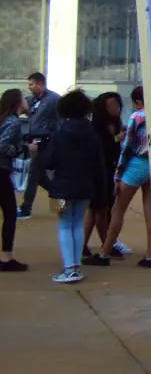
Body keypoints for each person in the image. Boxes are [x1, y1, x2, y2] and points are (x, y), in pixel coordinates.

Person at [86, 87, 151, 268]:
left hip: (135, 164)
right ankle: (150, 254)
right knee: (150, 211)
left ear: (137, 102)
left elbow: (127, 147)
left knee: (118, 209)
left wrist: (118, 174)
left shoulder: (137, 117)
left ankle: (105, 252)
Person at [40, 90, 105, 283]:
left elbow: (49, 161)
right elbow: (98, 164)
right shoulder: (92, 134)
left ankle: (69, 268)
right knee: (77, 224)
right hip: (85, 187)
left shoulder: (59, 133)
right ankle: (75, 266)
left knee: (64, 225)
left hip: (60, 187)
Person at [83, 93, 127, 259]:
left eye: (117, 104)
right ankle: (107, 245)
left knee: (95, 211)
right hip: (99, 172)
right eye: (111, 105)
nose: (115, 108)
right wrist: (117, 139)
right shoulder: (97, 126)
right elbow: (103, 147)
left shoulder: (113, 123)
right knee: (99, 209)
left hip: (107, 170)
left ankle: (86, 245)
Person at [18, 72, 61, 219]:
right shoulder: (32, 100)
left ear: (40, 84)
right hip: (35, 140)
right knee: (40, 176)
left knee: (34, 173)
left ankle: (26, 208)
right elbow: (22, 108)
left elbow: (62, 118)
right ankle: (62, 204)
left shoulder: (54, 99)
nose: (29, 87)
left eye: (31, 84)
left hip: (48, 141)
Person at [0, 89, 34, 271]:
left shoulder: (4, 119)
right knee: (10, 213)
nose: (26, 100)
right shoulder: (13, 122)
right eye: (23, 98)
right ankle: (6, 257)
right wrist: (22, 148)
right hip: (2, 171)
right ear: (17, 102)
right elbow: (3, 146)